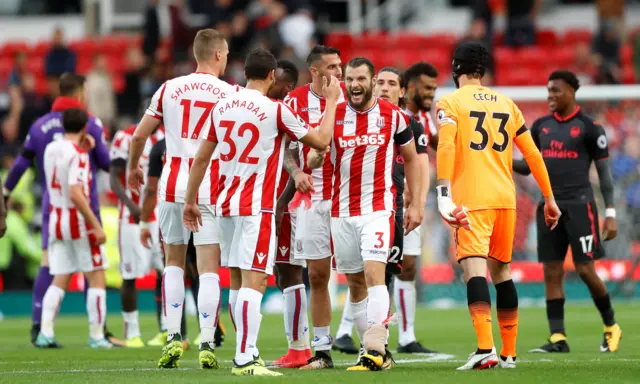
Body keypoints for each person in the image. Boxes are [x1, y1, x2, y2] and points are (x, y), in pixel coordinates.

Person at [183, 48, 340, 377]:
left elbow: (200, 159)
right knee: (256, 281)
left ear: (244, 74)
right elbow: (321, 140)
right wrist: (330, 103)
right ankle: (245, 359)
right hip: (258, 207)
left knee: (238, 282)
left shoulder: (221, 108)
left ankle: (246, 350)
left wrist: (190, 200)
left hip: (225, 206)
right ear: (271, 77)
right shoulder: (277, 111)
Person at [435, 42, 560, 370]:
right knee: (502, 272)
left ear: (455, 68)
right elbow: (532, 154)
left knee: (473, 270)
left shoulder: (449, 102)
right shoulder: (507, 104)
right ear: (483, 70)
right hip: (506, 200)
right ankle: (508, 354)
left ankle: (485, 348)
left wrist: (443, 192)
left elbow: (446, 145)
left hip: (472, 199)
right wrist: (549, 197)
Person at [127, 29, 239, 369]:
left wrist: (134, 168)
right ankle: (207, 340)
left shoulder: (169, 88)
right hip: (210, 186)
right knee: (208, 268)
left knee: (173, 263)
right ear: (218, 54)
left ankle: (173, 336)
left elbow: (139, 136)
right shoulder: (231, 92)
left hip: (172, 186)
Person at [309, 57, 423, 372]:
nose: (355, 85)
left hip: (378, 208)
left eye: (361, 78)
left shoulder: (395, 116)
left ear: (373, 81)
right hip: (341, 211)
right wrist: (316, 156)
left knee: (375, 276)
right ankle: (373, 353)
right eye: (350, 79)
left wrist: (414, 203)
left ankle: (375, 348)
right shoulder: (332, 114)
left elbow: (412, 160)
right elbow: (314, 157)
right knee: (356, 283)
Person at [2, 73, 119, 347]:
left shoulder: (40, 128)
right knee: (95, 271)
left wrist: (5, 193)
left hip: (52, 211)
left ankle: (41, 328)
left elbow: (20, 164)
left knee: (54, 270)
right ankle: (97, 332)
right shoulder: (90, 126)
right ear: (79, 94)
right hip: (82, 212)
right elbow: (105, 163)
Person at [513, 70, 623, 354]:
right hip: (549, 206)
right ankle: (557, 337)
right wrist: (502, 159)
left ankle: (611, 326)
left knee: (586, 270)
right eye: (548, 90)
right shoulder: (540, 126)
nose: (550, 96)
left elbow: (604, 173)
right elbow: (528, 165)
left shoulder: (589, 128)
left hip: (580, 206)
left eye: (556, 90)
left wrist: (610, 212)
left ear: (572, 92)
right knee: (551, 271)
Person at [280, 45, 351, 367]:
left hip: (349, 196)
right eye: (332, 67)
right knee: (318, 275)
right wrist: (296, 172)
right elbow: (285, 148)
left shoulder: (352, 98)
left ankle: (373, 347)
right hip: (311, 199)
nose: (339, 72)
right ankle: (321, 350)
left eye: (340, 66)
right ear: (315, 71)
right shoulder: (294, 101)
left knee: (359, 273)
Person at [35, 108, 111, 348]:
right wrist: (96, 225)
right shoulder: (78, 154)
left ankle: (45, 332)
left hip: (55, 218)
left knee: (61, 277)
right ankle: (97, 336)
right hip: (77, 220)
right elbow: (77, 193)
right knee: (97, 274)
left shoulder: (51, 149)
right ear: (85, 127)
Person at [374, 67, 436, 354]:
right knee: (366, 273)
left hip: (401, 206)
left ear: (402, 91)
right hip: (367, 207)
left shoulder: (413, 125)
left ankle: (406, 336)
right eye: (380, 83)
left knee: (405, 268)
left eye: (391, 84)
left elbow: (421, 165)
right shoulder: (357, 121)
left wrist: (418, 203)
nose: (384, 88)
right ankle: (348, 333)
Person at [269, 60, 316, 369]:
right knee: (280, 274)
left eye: (273, 79)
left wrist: (283, 201)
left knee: (289, 271)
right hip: (273, 201)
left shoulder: (284, 112)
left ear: (285, 85)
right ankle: (298, 346)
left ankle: (300, 348)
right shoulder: (272, 110)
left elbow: (294, 159)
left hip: (286, 204)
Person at [110, 123, 165, 347]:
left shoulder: (164, 137)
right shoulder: (124, 137)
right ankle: (132, 334)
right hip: (131, 217)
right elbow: (114, 179)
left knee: (166, 272)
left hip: (160, 214)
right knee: (130, 274)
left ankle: (167, 329)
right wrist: (132, 206)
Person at [403, 62, 439, 150]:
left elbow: (442, 147)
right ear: (411, 87)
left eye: (434, 89)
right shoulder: (396, 117)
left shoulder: (425, 116)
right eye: (428, 88)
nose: (432, 94)